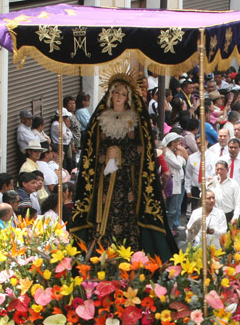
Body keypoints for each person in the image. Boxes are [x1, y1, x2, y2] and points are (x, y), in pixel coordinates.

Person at [71, 71, 176, 258]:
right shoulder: (99, 119)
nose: (118, 97)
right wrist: (104, 156)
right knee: (102, 216)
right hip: (103, 179)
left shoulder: (135, 121)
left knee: (127, 216)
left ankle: (128, 256)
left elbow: (143, 151)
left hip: (128, 180)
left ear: (128, 98)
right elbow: (90, 150)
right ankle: (100, 255)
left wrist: (121, 155)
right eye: (116, 93)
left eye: (123, 94)